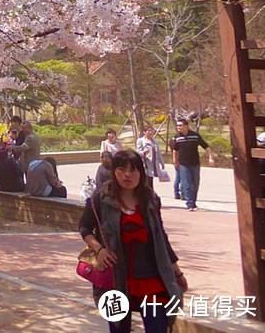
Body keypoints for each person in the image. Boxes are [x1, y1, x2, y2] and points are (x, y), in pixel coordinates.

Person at [79, 150, 187, 333]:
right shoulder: (100, 199)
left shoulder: (151, 200)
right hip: (116, 278)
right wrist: (100, 249)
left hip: (150, 277)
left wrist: (176, 272)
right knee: (119, 328)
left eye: (133, 170)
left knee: (158, 327)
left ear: (141, 173)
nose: (127, 174)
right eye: (122, 169)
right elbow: (84, 228)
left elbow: (161, 237)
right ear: (114, 171)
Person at [169, 117, 215, 210]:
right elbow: (175, 150)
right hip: (183, 164)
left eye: (180, 125)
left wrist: (210, 158)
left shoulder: (195, 136)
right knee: (186, 184)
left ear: (186, 126)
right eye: (177, 125)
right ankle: (189, 204)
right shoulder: (177, 136)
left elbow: (206, 147)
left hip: (195, 163)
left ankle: (193, 202)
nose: (178, 127)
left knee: (195, 183)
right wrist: (175, 161)